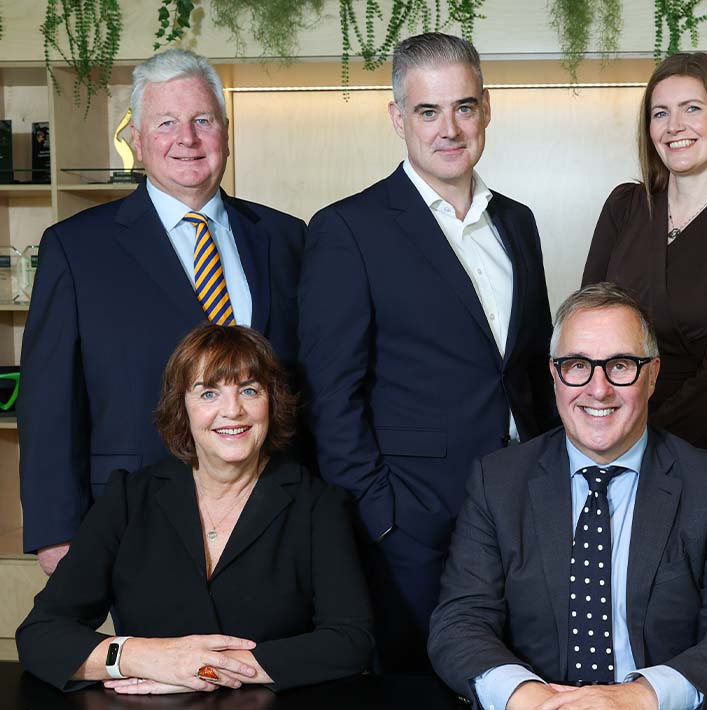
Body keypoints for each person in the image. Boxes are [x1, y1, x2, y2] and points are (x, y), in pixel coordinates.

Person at [299, 32, 558, 671]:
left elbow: (532, 369)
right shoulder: (347, 230)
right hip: (412, 527)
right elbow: (331, 397)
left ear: (486, 109)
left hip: (526, 515)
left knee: (520, 682)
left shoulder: (517, 222)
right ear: (398, 119)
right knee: (417, 687)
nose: (449, 128)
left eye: (464, 107)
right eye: (427, 111)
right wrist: (383, 518)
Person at [19, 49, 305, 576]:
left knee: (267, 659)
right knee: (158, 659)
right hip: (136, 516)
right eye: (166, 123)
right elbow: (49, 400)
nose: (187, 139)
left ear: (224, 129)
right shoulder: (77, 247)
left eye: (202, 121)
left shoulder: (287, 238)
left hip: (275, 512)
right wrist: (56, 531)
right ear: (137, 140)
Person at [429, 283, 707, 710]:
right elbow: (460, 624)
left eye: (621, 365)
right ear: (554, 374)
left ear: (652, 374)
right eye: (577, 365)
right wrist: (528, 699)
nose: (598, 389)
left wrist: (637, 698)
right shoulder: (498, 482)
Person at [16, 324, 372, 694]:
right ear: (181, 406)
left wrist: (207, 670)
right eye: (209, 393)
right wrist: (147, 657)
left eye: (249, 390)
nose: (232, 410)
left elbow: (350, 640)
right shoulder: (128, 498)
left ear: (273, 402)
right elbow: (41, 635)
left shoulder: (318, 504)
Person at [582, 52, 707, 564]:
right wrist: (602, 431)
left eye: (691, 108)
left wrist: (639, 441)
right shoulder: (626, 206)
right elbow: (587, 329)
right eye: (660, 112)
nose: (674, 127)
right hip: (615, 428)